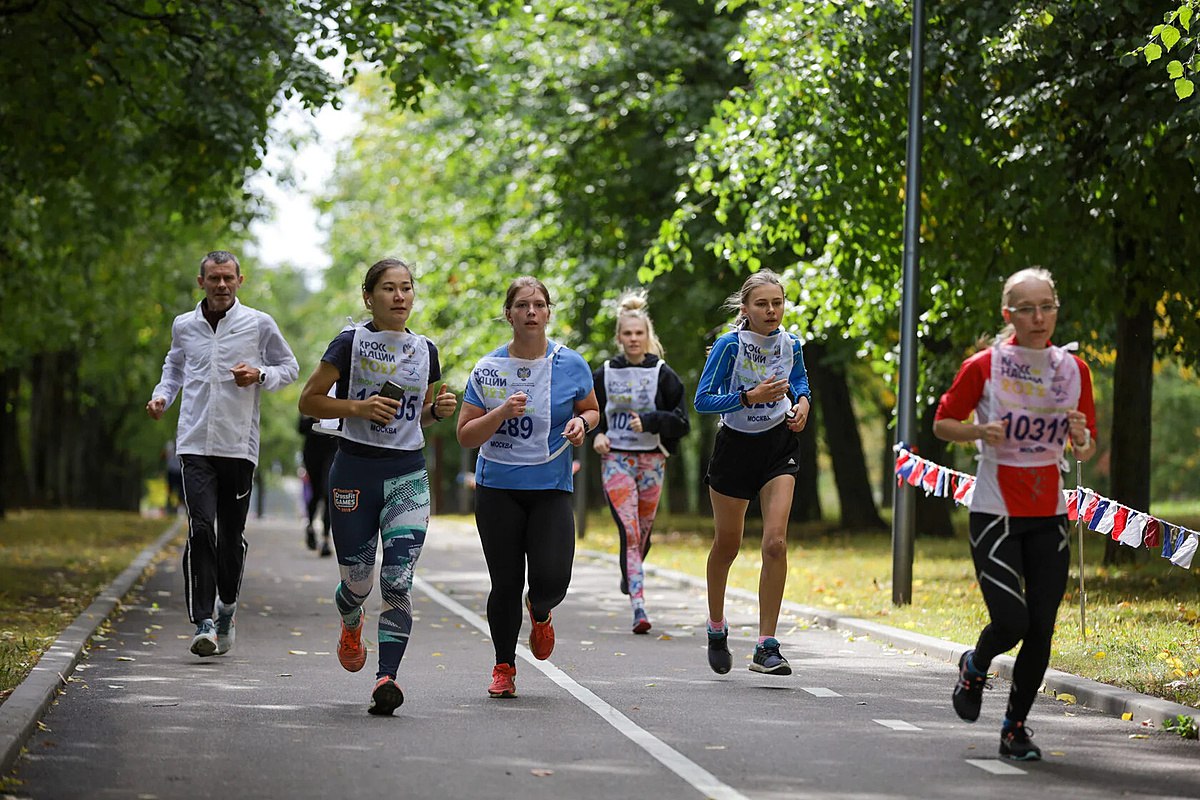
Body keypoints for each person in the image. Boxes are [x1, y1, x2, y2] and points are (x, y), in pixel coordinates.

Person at [933, 267, 1097, 761]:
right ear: (1009, 314)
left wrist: (1082, 436)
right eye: (1026, 309)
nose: (1039, 317)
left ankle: (1014, 728)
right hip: (995, 511)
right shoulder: (984, 366)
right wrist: (979, 433)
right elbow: (943, 425)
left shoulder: (1074, 370)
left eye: (1047, 306)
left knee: (1041, 628)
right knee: (1012, 620)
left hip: (1049, 514)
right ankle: (975, 664)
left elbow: (1085, 450)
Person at [297, 258, 457, 716]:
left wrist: (439, 410)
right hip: (354, 472)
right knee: (359, 582)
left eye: (407, 288)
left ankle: (387, 677)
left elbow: (420, 414)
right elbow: (309, 401)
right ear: (369, 297)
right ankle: (351, 618)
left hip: (406, 473)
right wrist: (358, 408)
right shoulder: (350, 342)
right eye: (389, 289)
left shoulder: (426, 348)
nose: (400, 296)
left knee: (397, 580)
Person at [147, 250, 299, 659]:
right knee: (199, 528)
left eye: (228, 278)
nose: (221, 285)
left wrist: (260, 375)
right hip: (194, 442)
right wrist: (163, 395)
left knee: (230, 537)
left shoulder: (258, 324)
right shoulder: (184, 325)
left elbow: (290, 367)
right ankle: (204, 622)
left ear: (239, 280)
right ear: (201, 282)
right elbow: (174, 367)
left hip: (238, 446)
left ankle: (227, 608)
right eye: (213, 278)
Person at [456, 276, 599, 698]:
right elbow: (465, 435)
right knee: (504, 582)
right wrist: (499, 412)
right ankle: (504, 666)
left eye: (539, 304)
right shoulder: (488, 368)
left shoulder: (571, 363)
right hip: (498, 487)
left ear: (549, 312)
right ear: (509, 314)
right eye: (522, 305)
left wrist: (581, 424)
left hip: (551, 486)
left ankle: (541, 611)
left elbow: (591, 411)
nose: (531, 312)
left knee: (552, 580)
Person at [693, 269, 811, 677]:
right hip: (735, 449)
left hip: (778, 447)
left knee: (776, 542)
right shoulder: (729, 346)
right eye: (762, 303)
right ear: (746, 309)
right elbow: (703, 400)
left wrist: (802, 404)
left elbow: (799, 383)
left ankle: (766, 645)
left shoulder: (791, 344)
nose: (771, 310)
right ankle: (715, 626)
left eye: (777, 303)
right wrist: (748, 396)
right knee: (728, 544)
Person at [591, 290, 690, 634]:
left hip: (652, 462)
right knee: (631, 533)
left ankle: (627, 572)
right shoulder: (604, 373)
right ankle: (639, 607)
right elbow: (588, 413)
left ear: (647, 337)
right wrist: (598, 434)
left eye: (639, 333)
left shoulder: (663, 374)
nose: (633, 339)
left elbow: (682, 423)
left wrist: (650, 421)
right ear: (619, 338)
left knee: (642, 534)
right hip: (616, 459)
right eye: (627, 334)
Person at [298, 414, 338, 556]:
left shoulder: (338, 394)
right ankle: (310, 527)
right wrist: (312, 419)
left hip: (331, 449)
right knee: (315, 493)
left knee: (328, 493)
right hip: (312, 451)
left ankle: (326, 539)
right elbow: (300, 429)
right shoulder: (311, 395)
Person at [163, 438, 184, 515]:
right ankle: (169, 506)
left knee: (181, 490)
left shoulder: (183, 443)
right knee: (170, 490)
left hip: (180, 471)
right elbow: (163, 455)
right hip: (171, 471)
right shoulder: (169, 445)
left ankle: (180, 507)